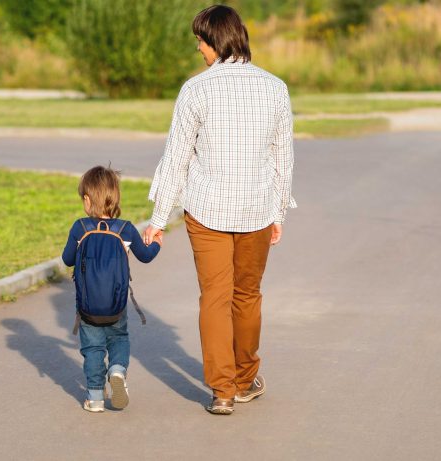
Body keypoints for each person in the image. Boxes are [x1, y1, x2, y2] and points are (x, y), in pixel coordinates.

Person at [143, 4, 295, 415]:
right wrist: (278, 212)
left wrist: (158, 221)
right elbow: (283, 158)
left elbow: (176, 158)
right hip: (257, 211)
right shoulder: (275, 87)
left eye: (200, 43)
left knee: (214, 297)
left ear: (215, 41)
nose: (199, 51)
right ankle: (245, 379)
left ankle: (222, 391)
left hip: (206, 210)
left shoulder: (195, 90)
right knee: (247, 296)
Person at [62, 165, 162, 412]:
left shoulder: (80, 228)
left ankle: (95, 398)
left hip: (87, 308)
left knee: (93, 348)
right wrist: (157, 243)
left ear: (87, 200)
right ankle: (117, 370)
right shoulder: (125, 228)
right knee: (118, 338)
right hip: (117, 306)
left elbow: (67, 259)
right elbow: (146, 256)